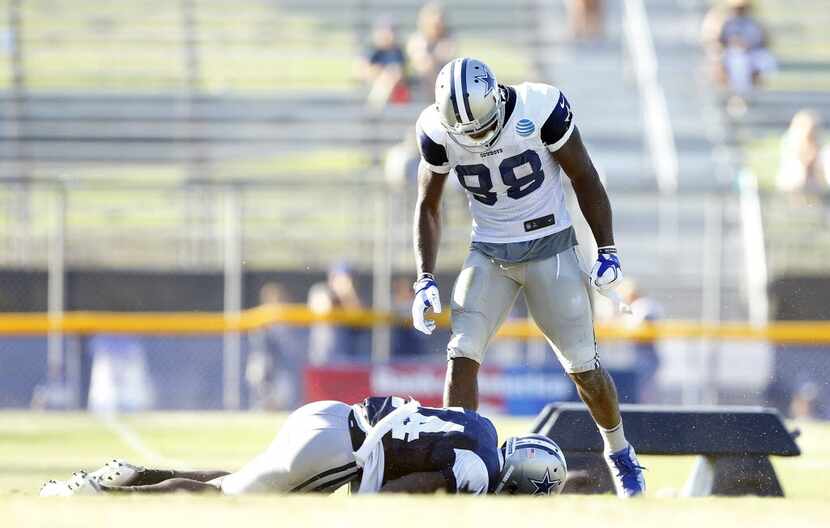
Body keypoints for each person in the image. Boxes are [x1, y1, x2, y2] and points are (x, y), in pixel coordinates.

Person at [411, 57, 645, 497]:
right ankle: (464, 464)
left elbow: (584, 175)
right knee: (461, 353)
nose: (476, 138)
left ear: (497, 98)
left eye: (482, 127)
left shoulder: (539, 107)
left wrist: (607, 249)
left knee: (583, 368)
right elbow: (428, 204)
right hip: (489, 252)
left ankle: (620, 455)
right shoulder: (437, 129)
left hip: (550, 248)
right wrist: (424, 277)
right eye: (467, 132)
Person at [40, 396, 567, 497]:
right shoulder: (480, 468)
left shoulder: (477, 425)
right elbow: (415, 486)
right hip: (339, 450)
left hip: (332, 414)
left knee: (239, 479)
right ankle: (93, 496)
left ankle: (131, 475)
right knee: (227, 502)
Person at [701, 0, 775, 103]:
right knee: (739, 62)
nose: (740, 11)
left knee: (764, 62)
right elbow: (715, 41)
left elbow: (764, 41)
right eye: (737, 8)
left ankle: (750, 96)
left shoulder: (753, 23)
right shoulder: (724, 21)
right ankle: (740, 97)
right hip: (732, 56)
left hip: (752, 55)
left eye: (742, 8)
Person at [406, 2, 456, 100]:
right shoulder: (416, 39)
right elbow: (420, 63)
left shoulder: (448, 39)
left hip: (443, 81)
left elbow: (447, 57)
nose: (437, 27)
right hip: (417, 83)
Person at [359, 18, 410, 110]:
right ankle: (374, 111)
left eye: (391, 31)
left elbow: (402, 73)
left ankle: (374, 111)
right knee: (385, 81)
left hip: (397, 90)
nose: (389, 35)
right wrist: (382, 73)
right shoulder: (372, 50)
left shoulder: (398, 52)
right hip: (375, 85)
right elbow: (362, 71)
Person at [776, 110, 830, 193]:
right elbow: (792, 181)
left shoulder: (822, 151)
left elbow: (823, 180)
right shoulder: (791, 148)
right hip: (794, 189)